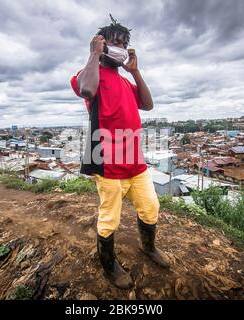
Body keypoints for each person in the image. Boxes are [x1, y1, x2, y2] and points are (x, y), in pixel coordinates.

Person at [70, 15, 170, 289]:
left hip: (135, 163)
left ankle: (148, 247)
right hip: (108, 165)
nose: (122, 48)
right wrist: (93, 55)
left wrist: (135, 71)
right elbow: (86, 88)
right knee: (109, 218)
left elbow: (147, 105)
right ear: (101, 45)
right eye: (116, 43)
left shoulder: (125, 81)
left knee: (151, 208)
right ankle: (108, 264)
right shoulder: (89, 74)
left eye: (125, 44)